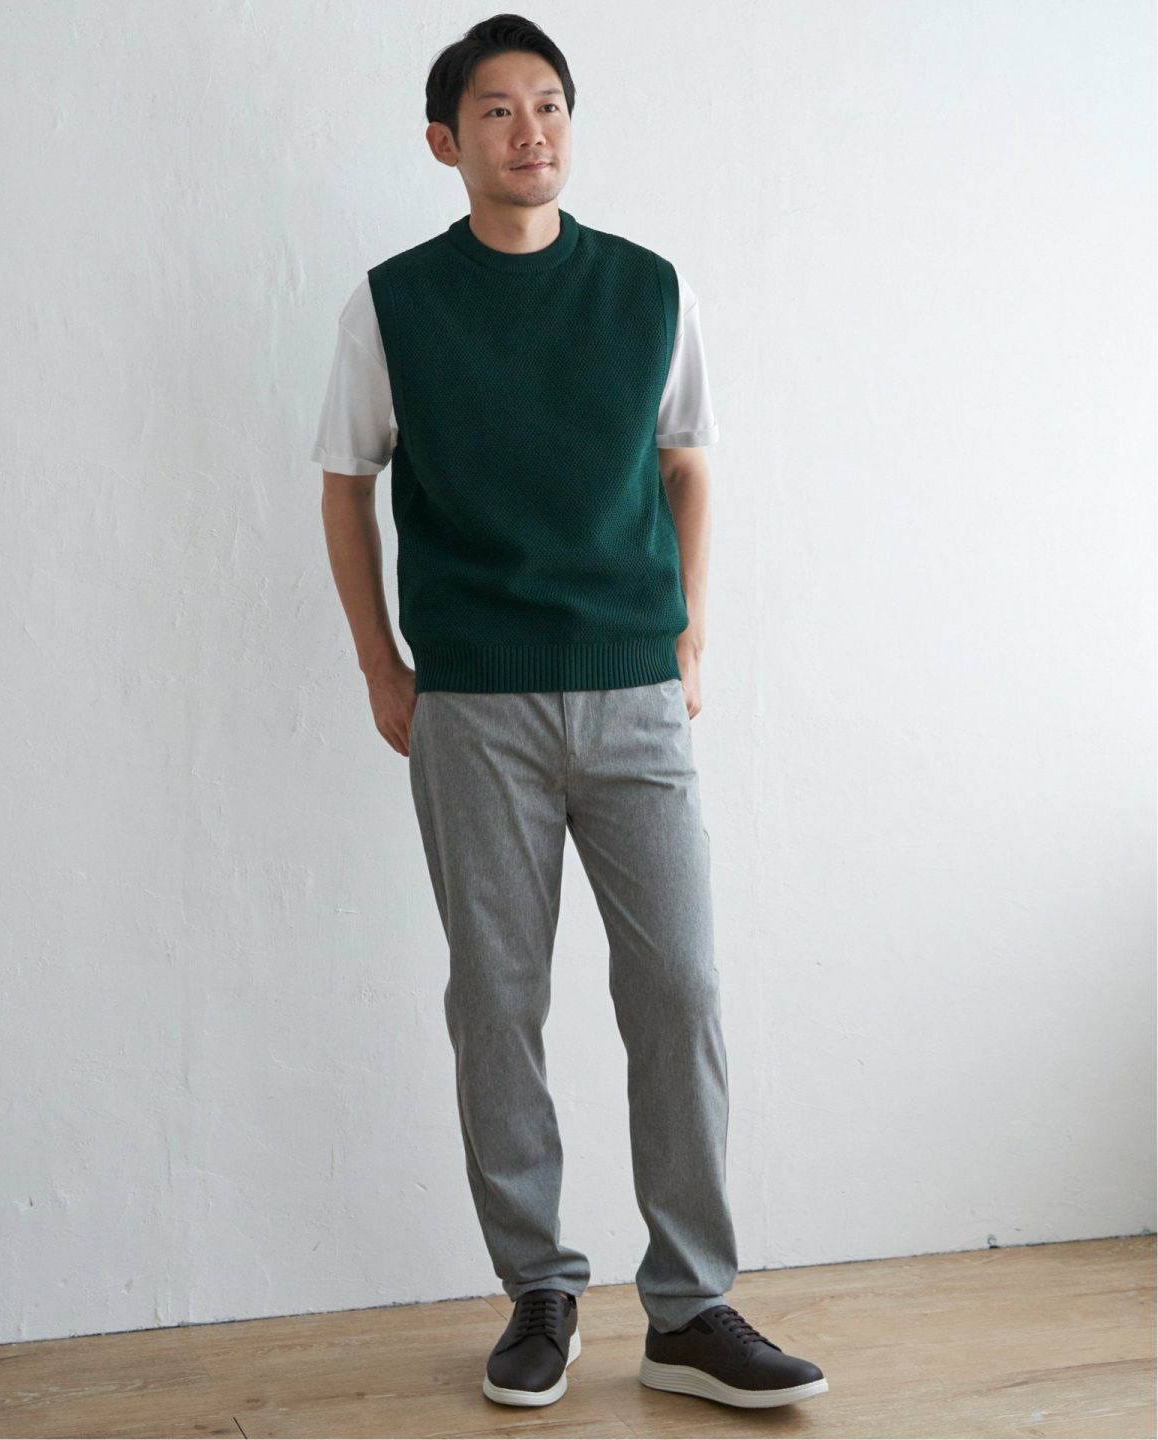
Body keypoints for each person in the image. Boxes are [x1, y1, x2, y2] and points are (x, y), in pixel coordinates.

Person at [310, 11, 828, 1414]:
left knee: (681, 989)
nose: (530, 130)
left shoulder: (648, 288)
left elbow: (688, 462)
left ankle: (691, 1308)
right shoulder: (393, 306)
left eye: (549, 104)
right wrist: (380, 666)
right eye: (497, 110)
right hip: (473, 704)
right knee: (498, 1001)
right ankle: (539, 1288)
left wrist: (689, 636)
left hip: (634, 694)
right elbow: (345, 484)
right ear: (445, 141)